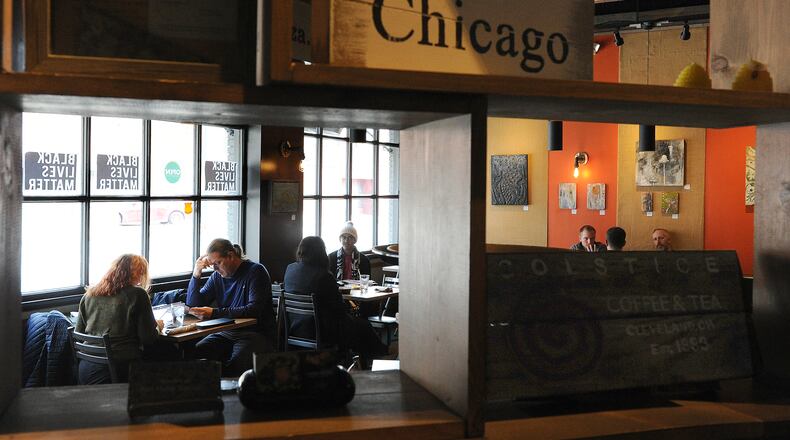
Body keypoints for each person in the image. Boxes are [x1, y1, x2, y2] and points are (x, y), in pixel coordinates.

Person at [285, 236, 387, 360]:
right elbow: (339, 308)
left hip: (295, 328)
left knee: (359, 326)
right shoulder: (324, 276)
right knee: (364, 326)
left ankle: (366, 359)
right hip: (324, 331)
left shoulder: (290, 270)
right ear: (320, 252)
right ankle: (377, 357)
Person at [187, 239, 276, 376]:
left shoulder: (256, 271)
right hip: (226, 331)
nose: (216, 269)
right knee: (197, 352)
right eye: (212, 266)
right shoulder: (217, 277)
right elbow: (193, 304)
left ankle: (232, 394)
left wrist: (214, 313)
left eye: (218, 263)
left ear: (231, 256)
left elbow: (254, 310)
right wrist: (196, 274)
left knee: (236, 363)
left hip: (255, 332)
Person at [75, 254, 162, 384]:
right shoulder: (138, 294)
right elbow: (148, 338)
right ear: (136, 274)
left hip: (86, 368)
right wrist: (158, 326)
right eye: (141, 273)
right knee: (166, 355)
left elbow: (79, 334)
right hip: (119, 368)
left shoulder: (89, 295)